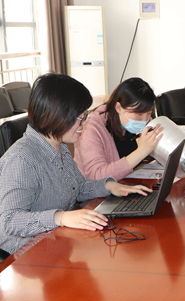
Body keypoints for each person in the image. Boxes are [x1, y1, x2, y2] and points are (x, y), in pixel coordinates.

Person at [0, 73, 152, 257]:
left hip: (56, 241)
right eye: (80, 118)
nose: (84, 124)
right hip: (24, 255)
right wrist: (61, 217)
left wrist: (109, 186)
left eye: (85, 116)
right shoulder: (21, 159)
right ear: (57, 116)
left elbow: (78, 186)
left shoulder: (60, 147)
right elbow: (10, 221)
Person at [74, 77, 163, 181]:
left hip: (128, 182)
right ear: (119, 108)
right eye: (138, 115)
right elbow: (97, 176)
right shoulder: (91, 127)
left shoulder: (145, 121)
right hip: (95, 189)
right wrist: (140, 152)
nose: (144, 121)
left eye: (148, 114)